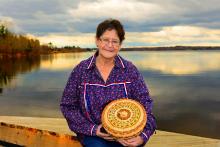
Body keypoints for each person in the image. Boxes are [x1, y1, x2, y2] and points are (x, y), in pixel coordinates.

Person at [60, 18, 156, 147]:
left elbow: (145, 104)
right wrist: (93, 129)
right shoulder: (81, 70)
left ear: (120, 45)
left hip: (126, 135)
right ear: (97, 41)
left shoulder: (129, 70)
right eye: (105, 40)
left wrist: (143, 136)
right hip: (93, 135)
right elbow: (68, 106)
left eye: (115, 41)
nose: (110, 45)